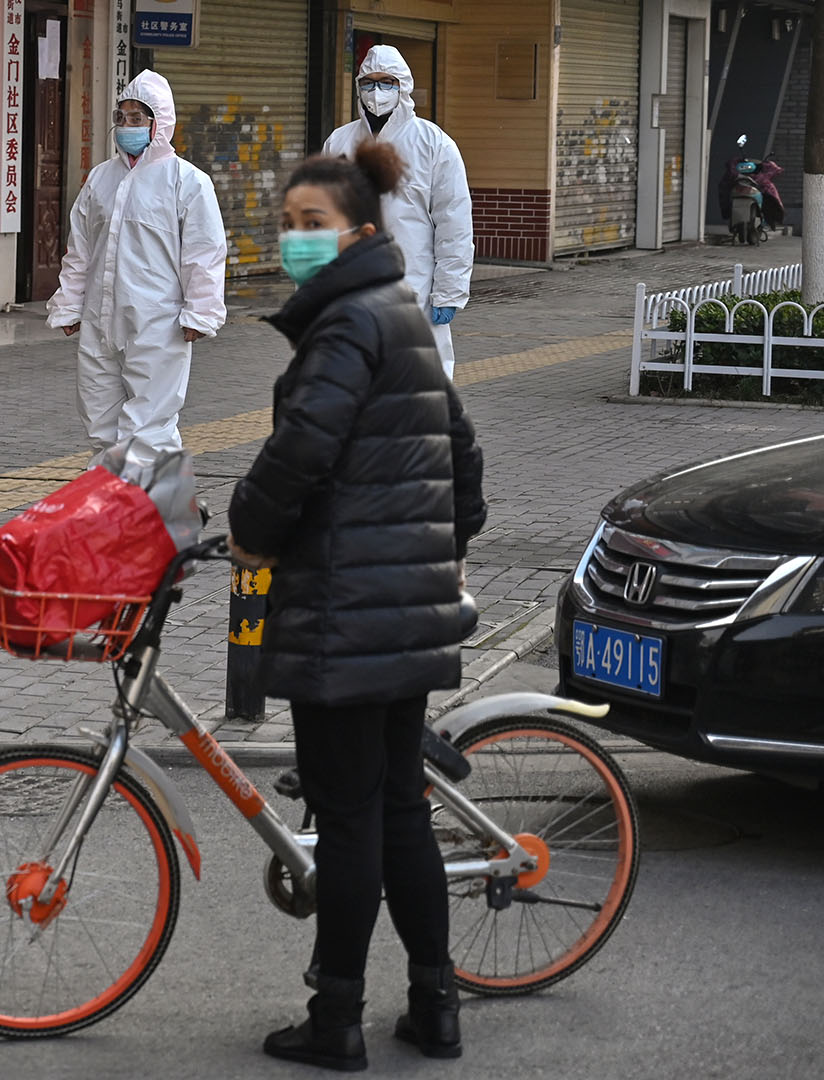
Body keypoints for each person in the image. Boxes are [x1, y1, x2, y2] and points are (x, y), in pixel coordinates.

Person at [228, 143, 487, 1072]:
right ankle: (434, 1004)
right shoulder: (401, 313)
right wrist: (438, 550)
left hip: (345, 613)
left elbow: (301, 450)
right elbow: (464, 456)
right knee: (399, 810)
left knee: (348, 819)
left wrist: (249, 530)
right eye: (288, 224)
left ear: (360, 232)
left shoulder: (343, 327)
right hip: (404, 609)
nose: (296, 241)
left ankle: (336, 1019)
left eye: (313, 226)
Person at [47, 69, 226, 469]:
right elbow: (81, 249)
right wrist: (69, 304)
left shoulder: (187, 182)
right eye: (121, 117)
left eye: (137, 118)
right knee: (99, 418)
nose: (126, 126)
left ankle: (145, 512)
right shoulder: (101, 179)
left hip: (158, 323)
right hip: (100, 318)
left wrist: (201, 312)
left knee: (149, 425)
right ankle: (117, 507)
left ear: (159, 124)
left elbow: (204, 253)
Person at [321, 45, 473, 381]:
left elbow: (454, 225)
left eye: (387, 82)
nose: (377, 91)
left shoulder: (434, 145)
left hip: (414, 287)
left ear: (403, 86)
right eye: (369, 82)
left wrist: (449, 291)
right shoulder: (339, 143)